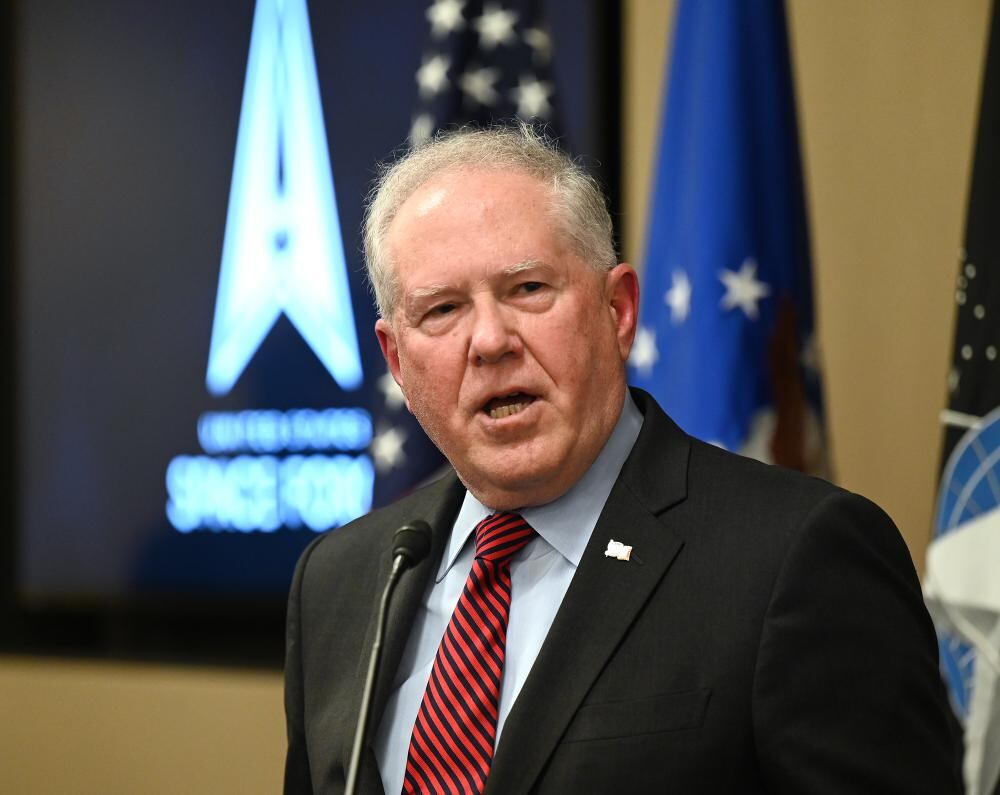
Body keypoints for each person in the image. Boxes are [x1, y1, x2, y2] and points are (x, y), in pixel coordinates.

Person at [283, 125, 962, 794]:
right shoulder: (338, 582)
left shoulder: (797, 557)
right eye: (443, 309)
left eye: (528, 289)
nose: (489, 340)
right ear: (398, 360)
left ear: (618, 309)